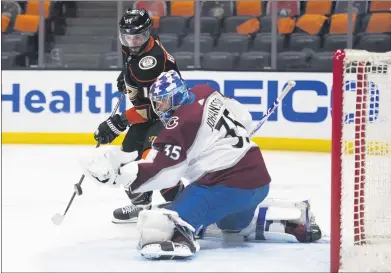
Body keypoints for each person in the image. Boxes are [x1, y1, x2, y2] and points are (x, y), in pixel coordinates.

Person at [83, 71, 322, 260]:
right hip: (258, 182)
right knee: (230, 226)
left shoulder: (179, 124)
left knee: (161, 225)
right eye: (156, 102)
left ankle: (180, 237)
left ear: (176, 95)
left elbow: (164, 174)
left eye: (163, 102)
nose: (160, 108)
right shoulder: (205, 91)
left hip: (225, 185)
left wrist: (117, 177)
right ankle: (292, 219)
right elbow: (245, 118)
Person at [93, 8, 184, 223]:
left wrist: (119, 122)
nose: (132, 42)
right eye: (128, 36)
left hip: (165, 115)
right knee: (125, 159)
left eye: (138, 37)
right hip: (149, 113)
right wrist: (127, 78)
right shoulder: (137, 47)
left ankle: (184, 206)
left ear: (147, 33)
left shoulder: (151, 61)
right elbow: (139, 79)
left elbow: (154, 108)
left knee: (152, 163)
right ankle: (140, 205)